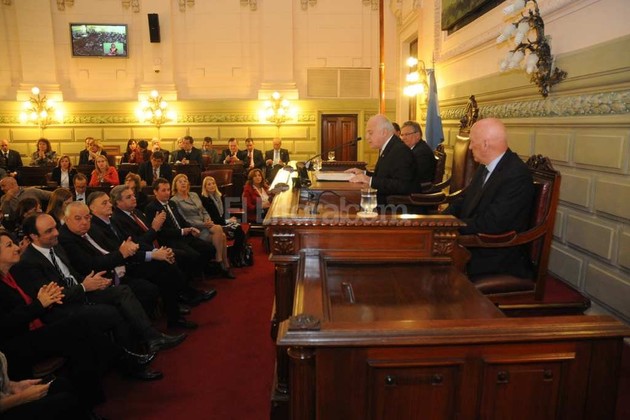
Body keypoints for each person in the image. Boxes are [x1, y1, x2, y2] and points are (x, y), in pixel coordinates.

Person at [13, 213, 187, 357]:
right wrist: (84, 286)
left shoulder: (54, 246)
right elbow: (53, 296)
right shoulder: (28, 262)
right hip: (62, 307)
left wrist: (93, 281)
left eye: (55, 227)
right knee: (113, 311)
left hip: (81, 291)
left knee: (123, 291)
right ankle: (132, 358)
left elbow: (71, 275)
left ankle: (151, 338)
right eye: (49, 231)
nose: (56, 233)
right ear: (34, 236)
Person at [444, 118, 535, 278]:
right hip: (475, 241)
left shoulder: (516, 175)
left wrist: (452, 225)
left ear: (485, 144)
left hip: (496, 253)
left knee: (435, 266)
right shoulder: (485, 166)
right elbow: (464, 200)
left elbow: (492, 224)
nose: (470, 147)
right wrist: (440, 219)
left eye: (472, 142)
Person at [145, 178, 224, 296]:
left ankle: (195, 274)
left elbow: (181, 220)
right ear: (155, 192)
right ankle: (187, 286)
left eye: (168, 190)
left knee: (210, 249)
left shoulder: (171, 204)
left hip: (184, 236)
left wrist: (191, 228)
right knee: (193, 256)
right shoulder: (152, 208)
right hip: (170, 240)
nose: (167, 192)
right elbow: (161, 232)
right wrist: (182, 231)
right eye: (163, 190)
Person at [171, 174, 235, 279]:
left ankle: (221, 262)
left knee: (220, 232)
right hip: (195, 228)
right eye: (180, 181)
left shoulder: (194, 195)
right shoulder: (174, 200)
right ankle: (223, 264)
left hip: (205, 223)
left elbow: (203, 210)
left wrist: (207, 220)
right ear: (175, 185)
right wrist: (203, 224)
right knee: (222, 235)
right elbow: (184, 220)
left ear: (188, 184)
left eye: (185, 181)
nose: (183, 183)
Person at [345, 114, 417, 206]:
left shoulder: (400, 150)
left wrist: (369, 180)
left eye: (370, 133)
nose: (367, 137)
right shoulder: (389, 147)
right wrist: (364, 173)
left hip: (396, 208)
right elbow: (384, 176)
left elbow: (403, 185)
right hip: (385, 203)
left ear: (384, 132)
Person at [200, 175, 247, 267]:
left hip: (222, 221)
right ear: (205, 187)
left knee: (239, 228)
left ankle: (236, 255)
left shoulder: (218, 196)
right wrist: (228, 221)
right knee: (238, 230)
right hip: (215, 225)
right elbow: (214, 218)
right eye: (209, 184)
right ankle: (234, 256)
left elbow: (222, 213)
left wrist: (230, 219)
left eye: (213, 183)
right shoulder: (205, 199)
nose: (212, 186)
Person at [400, 120, 436, 186]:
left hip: (420, 189)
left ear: (417, 135)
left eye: (407, 134)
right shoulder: (413, 149)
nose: (403, 138)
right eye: (402, 135)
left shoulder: (422, 152)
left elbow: (413, 176)